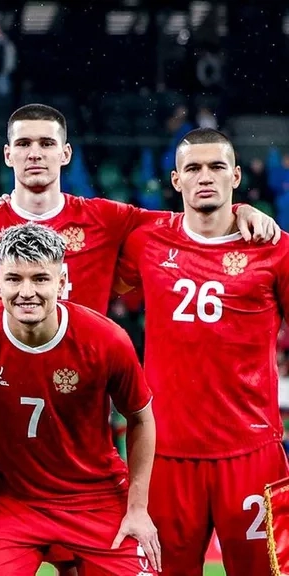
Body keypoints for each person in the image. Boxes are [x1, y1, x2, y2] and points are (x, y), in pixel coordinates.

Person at [0, 103, 278, 576]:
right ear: (7, 154)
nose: (35, 153)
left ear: (65, 153)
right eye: (24, 143)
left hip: (80, 437)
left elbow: (191, 219)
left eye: (46, 143)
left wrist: (238, 208)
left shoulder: (107, 219)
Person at [0, 222, 159, 574]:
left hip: (96, 497)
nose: (26, 292)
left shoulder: (106, 340)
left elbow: (141, 417)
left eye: (40, 279)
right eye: (14, 279)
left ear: (61, 283)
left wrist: (138, 508)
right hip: (15, 500)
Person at [115, 128, 289, 575]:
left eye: (216, 167)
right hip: (165, 454)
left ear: (236, 176)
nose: (205, 176)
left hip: (252, 453)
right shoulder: (147, 240)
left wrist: (248, 211)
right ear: (176, 180)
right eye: (193, 168)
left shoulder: (275, 248)